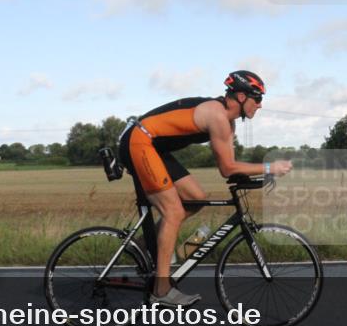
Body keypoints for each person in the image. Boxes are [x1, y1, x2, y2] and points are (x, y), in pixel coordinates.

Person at [118, 70, 292, 306]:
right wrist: (270, 167)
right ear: (241, 97)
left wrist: (258, 174)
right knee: (174, 212)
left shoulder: (228, 124)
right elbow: (228, 169)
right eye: (258, 98)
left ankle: (145, 245)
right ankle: (161, 289)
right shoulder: (217, 116)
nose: (260, 105)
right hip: (140, 141)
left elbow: (229, 167)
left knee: (196, 198)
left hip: (154, 146)